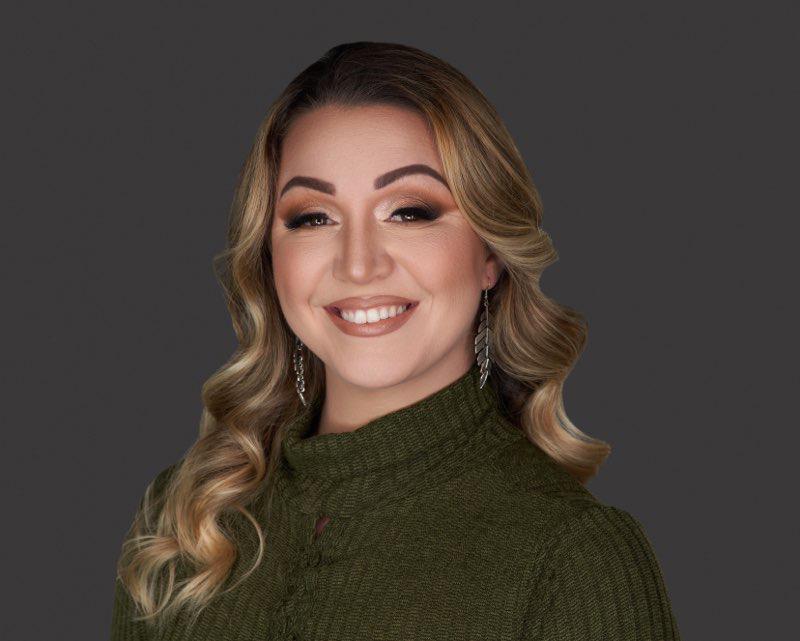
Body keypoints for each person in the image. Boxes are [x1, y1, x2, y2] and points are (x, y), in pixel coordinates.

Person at [110, 41, 681, 640]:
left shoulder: (574, 557)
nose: (358, 265)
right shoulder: (185, 519)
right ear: (270, 256)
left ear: (490, 253)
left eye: (409, 212)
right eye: (313, 217)